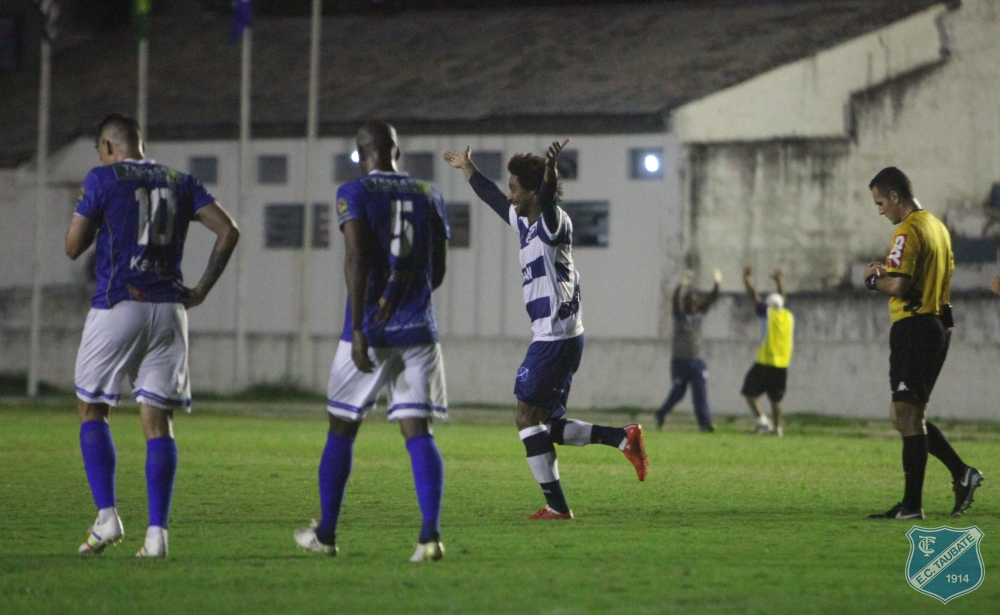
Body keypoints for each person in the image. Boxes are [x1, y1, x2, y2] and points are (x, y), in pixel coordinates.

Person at [443, 140, 647, 521]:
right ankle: (622, 437)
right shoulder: (524, 220)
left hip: (555, 339)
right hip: (558, 336)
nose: (510, 195)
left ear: (533, 191)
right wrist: (468, 167)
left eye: (515, 188)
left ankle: (558, 506)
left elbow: (549, 200)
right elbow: (491, 198)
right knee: (546, 425)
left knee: (526, 419)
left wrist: (551, 171)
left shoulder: (552, 223)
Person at [66, 114, 240, 558]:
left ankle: (107, 517)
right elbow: (228, 230)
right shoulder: (181, 181)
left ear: (108, 146)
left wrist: (96, 212)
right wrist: (201, 290)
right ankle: (156, 534)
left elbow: (72, 247)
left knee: (92, 407)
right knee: (158, 421)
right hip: (169, 312)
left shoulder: (103, 178)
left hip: (119, 305)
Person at [294, 121, 450, 562]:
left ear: (361, 154)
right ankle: (430, 537)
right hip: (419, 331)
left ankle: (326, 534)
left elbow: (357, 255)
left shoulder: (354, 191)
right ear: (396, 151)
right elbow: (437, 271)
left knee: (342, 426)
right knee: (419, 431)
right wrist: (406, 300)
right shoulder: (430, 193)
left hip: (369, 331)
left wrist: (361, 327)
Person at [863, 167, 983, 520]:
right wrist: (890, 273)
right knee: (905, 415)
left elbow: (900, 287)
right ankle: (961, 474)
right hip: (938, 324)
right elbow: (926, 275)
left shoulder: (907, 230)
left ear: (895, 196)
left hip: (915, 327)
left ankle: (913, 506)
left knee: (906, 415)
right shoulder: (937, 227)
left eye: (881, 202)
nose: (880, 210)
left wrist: (873, 281)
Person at [655, 268, 721, 432]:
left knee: (700, 394)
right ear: (684, 304)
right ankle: (661, 413)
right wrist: (681, 285)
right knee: (678, 392)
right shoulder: (679, 316)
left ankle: (705, 424)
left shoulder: (699, 315)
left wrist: (717, 283)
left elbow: (712, 298)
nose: (691, 304)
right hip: (680, 361)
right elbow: (675, 300)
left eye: (694, 302)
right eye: (688, 302)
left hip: (697, 361)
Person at [740, 266, 793, 436]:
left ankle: (762, 421)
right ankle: (777, 428)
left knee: (749, 392)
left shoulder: (767, 314)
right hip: (782, 364)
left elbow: (754, 297)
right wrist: (780, 282)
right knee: (776, 399)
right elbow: (783, 299)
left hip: (765, 362)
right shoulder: (788, 316)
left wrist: (746, 280)